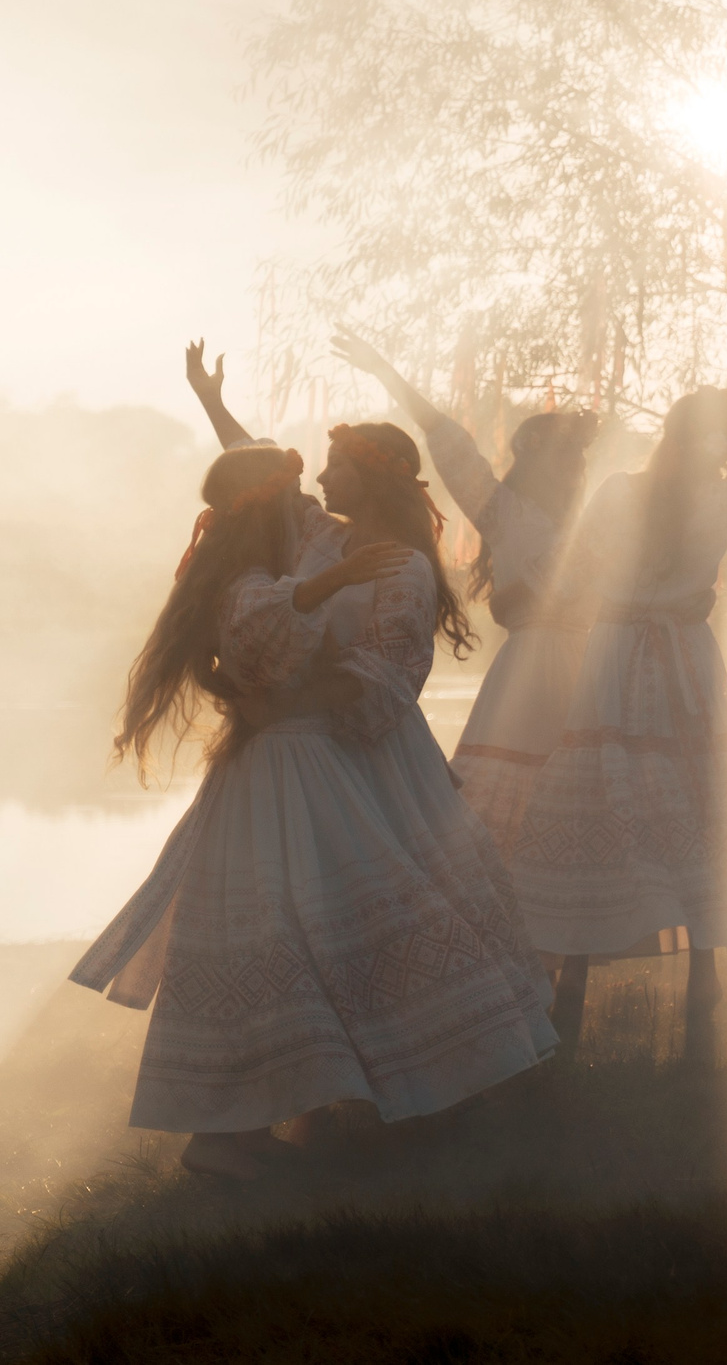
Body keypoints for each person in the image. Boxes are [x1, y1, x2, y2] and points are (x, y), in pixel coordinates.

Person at [74, 347, 555, 1178]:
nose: (320, 476)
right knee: (298, 922)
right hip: (295, 752)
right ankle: (296, 1107)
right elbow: (263, 479)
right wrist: (212, 405)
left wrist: (280, 702)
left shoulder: (402, 566)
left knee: (402, 911)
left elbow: (387, 678)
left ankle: (430, 1084)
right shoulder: (318, 537)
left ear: (376, 478)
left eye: (335, 466)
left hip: (369, 760)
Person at [514, 330, 727, 1056]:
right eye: (725, 438)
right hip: (671, 654)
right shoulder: (714, 497)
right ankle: (686, 976)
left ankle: (594, 978)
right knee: (681, 796)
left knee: (642, 794)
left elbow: (579, 576)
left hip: (629, 649)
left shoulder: (632, 495)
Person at [334, 332, 598, 855]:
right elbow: (449, 439)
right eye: (565, 457)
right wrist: (388, 374)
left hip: (589, 661)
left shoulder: (593, 527)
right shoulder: (505, 512)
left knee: (586, 791)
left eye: (576, 459)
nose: (574, 468)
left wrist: (541, 597)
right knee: (512, 790)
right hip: (529, 665)